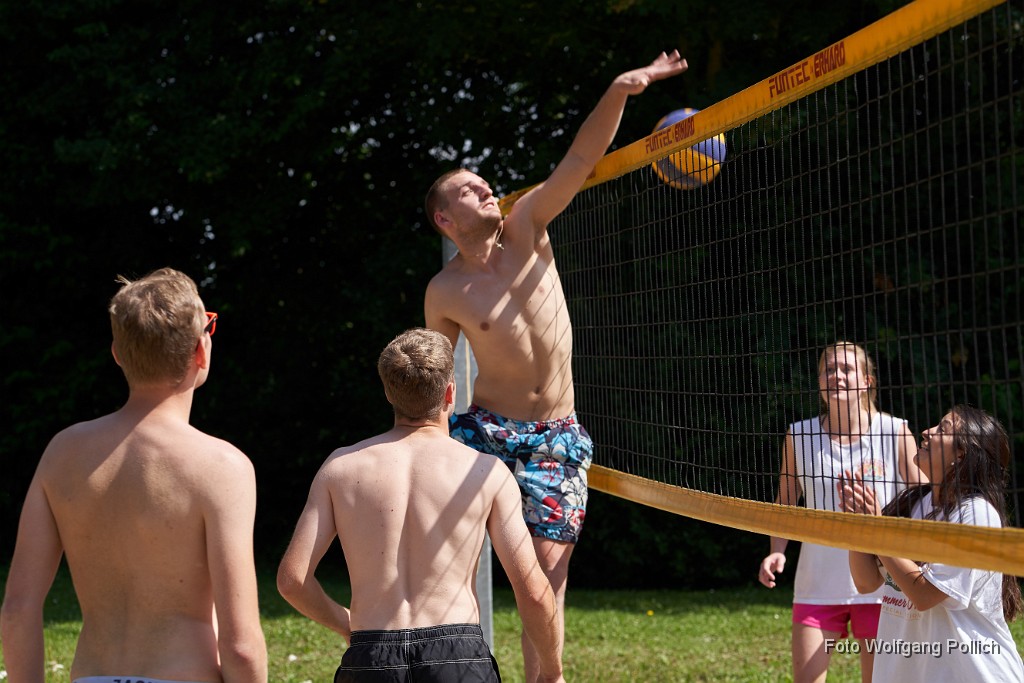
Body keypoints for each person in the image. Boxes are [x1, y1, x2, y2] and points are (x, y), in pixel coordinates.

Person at [423, 50, 688, 680]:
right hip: (484, 433)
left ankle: (549, 678)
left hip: (555, 438)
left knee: (545, 576)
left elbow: (579, 159)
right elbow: (434, 373)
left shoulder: (527, 226)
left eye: (483, 181)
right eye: (469, 188)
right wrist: (430, 439)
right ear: (445, 218)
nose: (486, 187)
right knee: (440, 560)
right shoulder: (445, 290)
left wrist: (626, 87)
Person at [0, 268, 267, 683]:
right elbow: (241, 646)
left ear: (118, 353)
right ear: (201, 349)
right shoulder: (222, 467)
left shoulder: (63, 454)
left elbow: (18, 608)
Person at [276, 327, 564, 683]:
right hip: (457, 656)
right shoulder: (486, 472)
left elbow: (292, 580)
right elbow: (534, 591)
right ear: (450, 392)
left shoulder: (341, 467)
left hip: (370, 654)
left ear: (387, 392)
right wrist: (552, 673)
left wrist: (347, 625)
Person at [757, 341, 925, 683]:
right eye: (828, 369)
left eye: (846, 369)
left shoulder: (893, 431)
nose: (836, 375)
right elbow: (786, 502)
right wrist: (776, 552)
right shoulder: (799, 435)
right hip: (817, 584)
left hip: (883, 586)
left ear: (867, 380)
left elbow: (925, 500)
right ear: (819, 380)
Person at [849, 404, 1024, 680]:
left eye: (942, 429)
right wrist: (860, 527)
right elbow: (866, 582)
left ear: (962, 453)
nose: (926, 432)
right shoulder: (912, 502)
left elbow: (925, 595)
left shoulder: (977, 513)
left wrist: (877, 533)